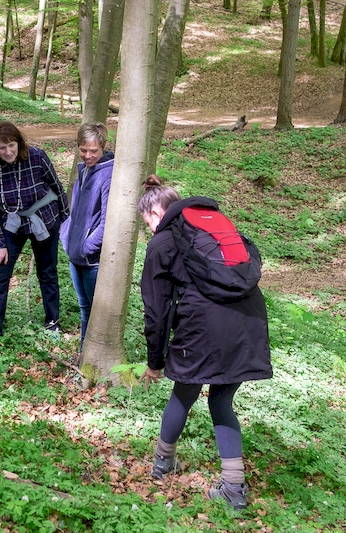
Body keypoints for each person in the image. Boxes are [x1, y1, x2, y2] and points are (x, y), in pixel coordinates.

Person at [138, 175, 272, 510]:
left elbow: (155, 310)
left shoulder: (163, 242)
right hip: (248, 322)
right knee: (222, 401)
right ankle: (234, 489)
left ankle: (162, 465)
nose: (149, 230)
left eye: (147, 223)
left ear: (155, 212)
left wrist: (154, 362)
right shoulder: (213, 229)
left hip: (204, 326)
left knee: (184, 393)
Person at [0, 122, 69, 344]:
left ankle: (52, 322)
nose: (8, 152)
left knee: (47, 272)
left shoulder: (37, 157)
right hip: (13, 224)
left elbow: (57, 187)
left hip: (45, 218)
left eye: (11, 145)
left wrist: (64, 219)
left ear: (18, 143)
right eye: (2, 148)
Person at [62, 122, 114, 348]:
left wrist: (86, 246)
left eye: (93, 151)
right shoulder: (83, 171)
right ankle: (84, 351)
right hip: (75, 254)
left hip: (92, 258)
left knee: (95, 310)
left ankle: (94, 352)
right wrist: (67, 236)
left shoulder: (108, 175)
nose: (88, 155)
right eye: (83, 150)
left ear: (102, 148)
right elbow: (74, 212)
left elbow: (107, 221)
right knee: (84, 307)